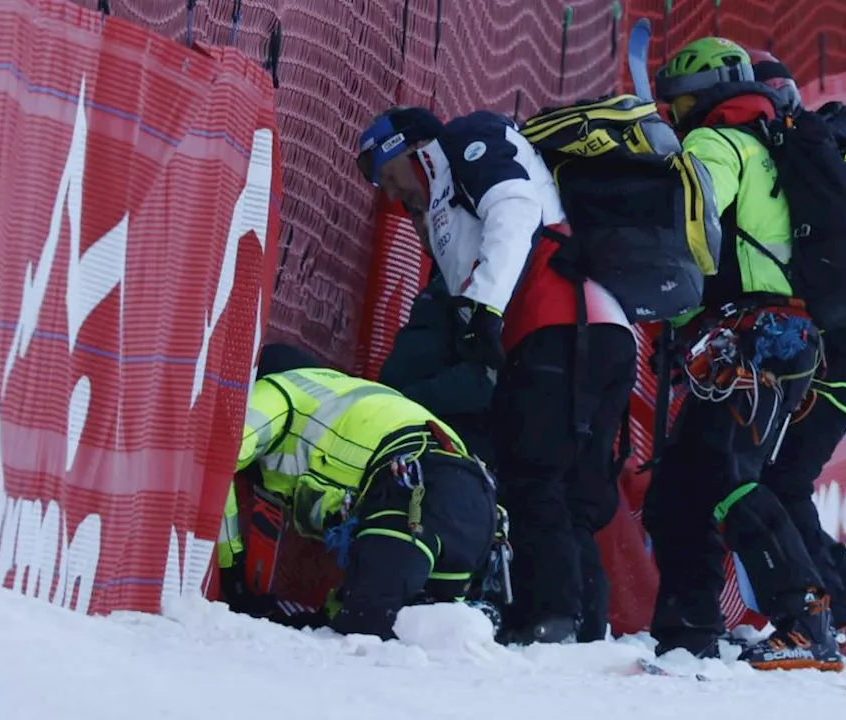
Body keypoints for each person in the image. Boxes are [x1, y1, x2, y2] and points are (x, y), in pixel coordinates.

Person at [355, 106, 637, 645]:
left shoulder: (465, 139)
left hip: (557, 325)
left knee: (532, 475)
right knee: (573, 489)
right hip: (601, 331)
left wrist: (484, 309)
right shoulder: (441, 208)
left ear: (408, 150)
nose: (392, 194)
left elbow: (514, 206)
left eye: (387, 175)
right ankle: (583, 627)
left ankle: (550, 619)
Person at [642, 37, 845, 672]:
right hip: (785, 336)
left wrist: (672, 293)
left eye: (674, 102)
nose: (671, 116)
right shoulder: (770, 139)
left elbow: (692, 213)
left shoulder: (716, 142)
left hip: (749, 336)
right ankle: (688, 630)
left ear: (697, 96)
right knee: (681, 487)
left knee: (726, 474)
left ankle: (805, 619)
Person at [743, 47, 846, 664]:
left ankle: (835, 613)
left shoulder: (805, 155)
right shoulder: (831, 154)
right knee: (785, 477)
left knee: (782, 479)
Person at [216, 367, 498, 640]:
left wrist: (232, 572)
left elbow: (217, 461)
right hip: (475, 497)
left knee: (368, 627)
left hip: (413, 493)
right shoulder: (349, 394)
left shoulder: (277, 393)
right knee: (436, 636)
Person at [378, 272, 497, 466]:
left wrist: (405, 401)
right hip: (398, 430)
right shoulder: (450, 275)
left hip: (446, 447)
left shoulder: (493, 286)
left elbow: (483, 380)